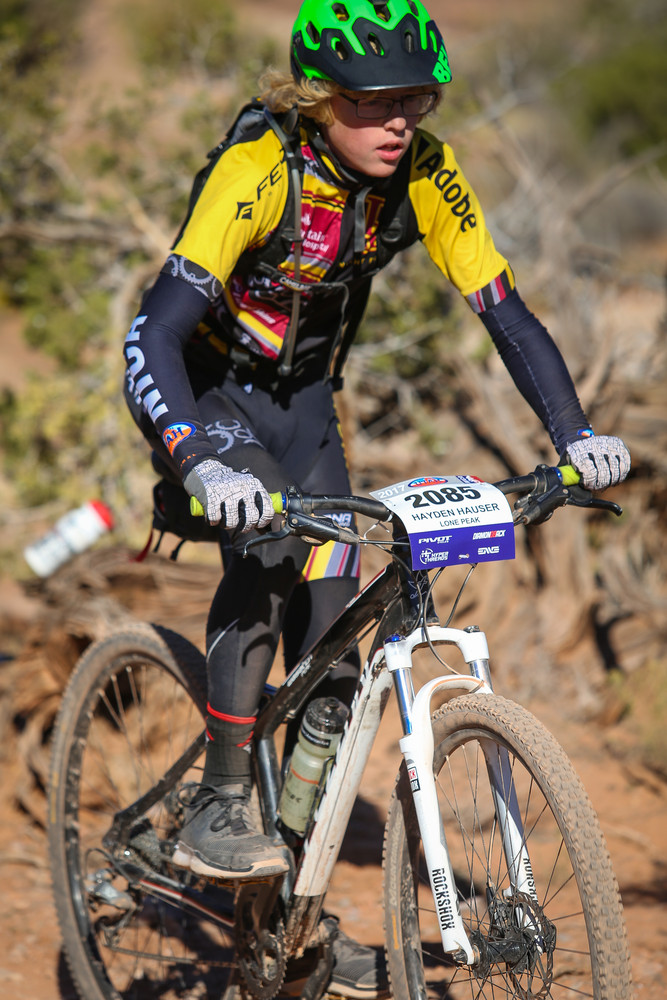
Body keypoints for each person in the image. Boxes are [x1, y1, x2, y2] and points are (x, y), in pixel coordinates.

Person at [123, 1, 631, 995]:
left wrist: (573, 436)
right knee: (271, 551)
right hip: (211, 395)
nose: (397, 120)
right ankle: (221, 798)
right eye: (371, 102)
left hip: (308, 405)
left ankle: (288, 917)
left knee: (335, 644)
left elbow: (504, 312)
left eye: (414, 98)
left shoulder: (425, 173)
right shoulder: (260, 168)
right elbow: (154, 332)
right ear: (319, 98)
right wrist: (197, 461)